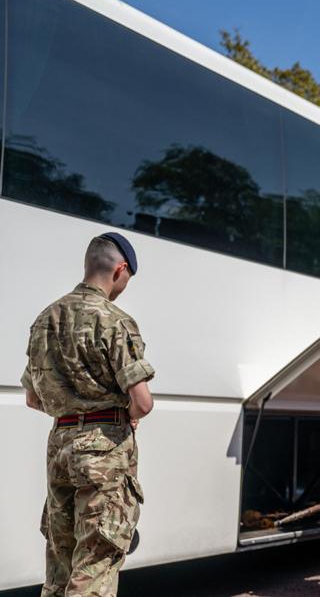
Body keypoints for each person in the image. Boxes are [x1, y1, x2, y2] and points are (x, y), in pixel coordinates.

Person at [21, 233, 155, 597]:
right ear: (120, 269)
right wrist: (122, 412)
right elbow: (142, 402)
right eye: (127, 279)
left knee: (60, 562)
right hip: (103, 450)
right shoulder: (115, 320)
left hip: (59, 445)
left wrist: (71, 407)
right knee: (96, 560)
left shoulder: (44, 319)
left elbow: (33, 399)